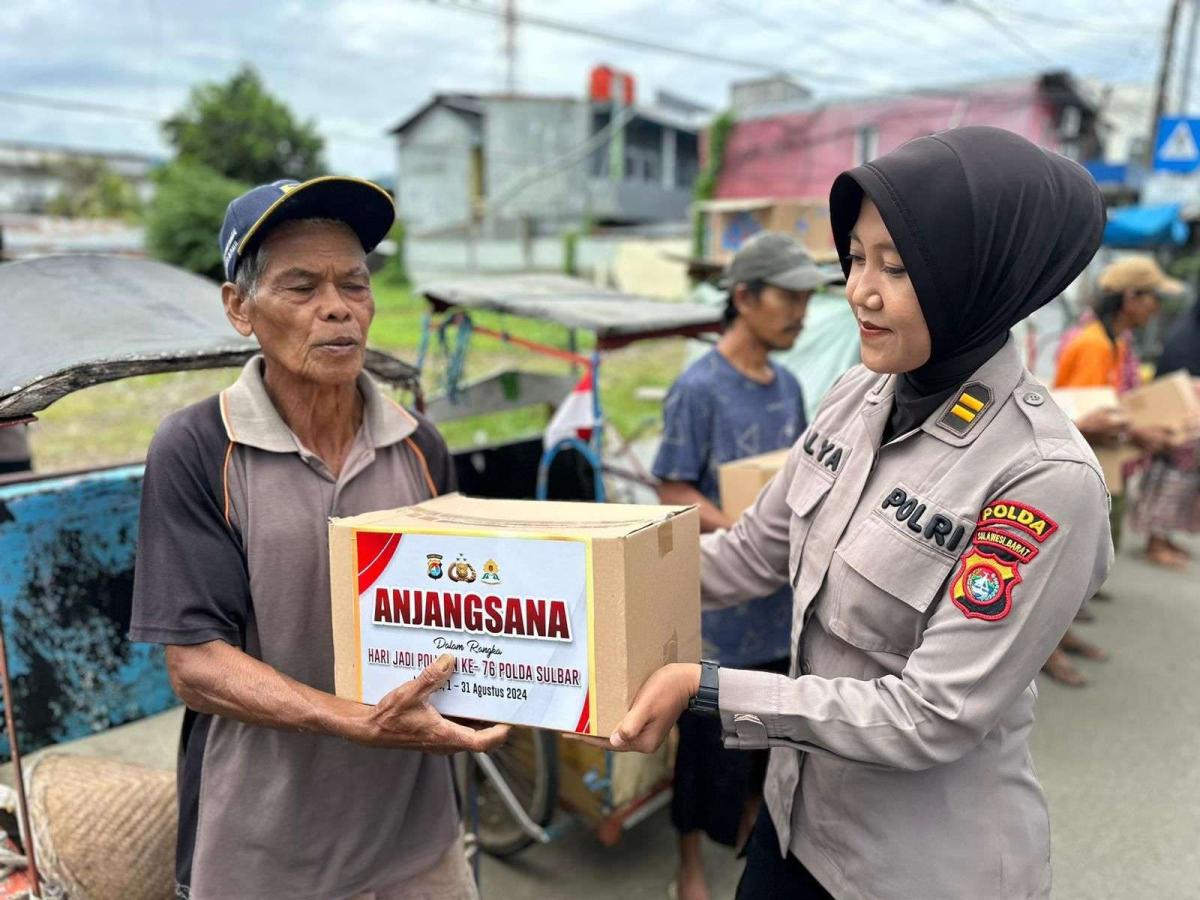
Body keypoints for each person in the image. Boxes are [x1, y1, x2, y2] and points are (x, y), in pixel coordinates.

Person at [596, 127, 1114, 899]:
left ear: (979, 277)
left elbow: (931, 714)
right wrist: (580, 578)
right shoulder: (854, 397)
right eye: (856, 257)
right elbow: (746, 556)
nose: (857, 291)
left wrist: (706, 689)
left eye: (896, 267)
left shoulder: (1042, 476)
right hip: (795, 820)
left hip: (914, 869)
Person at [129, 176, 508, 900]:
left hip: (415, 835)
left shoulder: (419, 441)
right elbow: (198, 666)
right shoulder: (199, 447)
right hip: (264, 848)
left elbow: (455, 610)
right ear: (240, 308)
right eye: (300, 287)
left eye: (354, 284)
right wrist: (359, 719)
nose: (336, 307)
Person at [652, 232, 837, 900]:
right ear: (743, 297)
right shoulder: (698, 389)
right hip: (721, 612)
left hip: (781, 609)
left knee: (768, 744)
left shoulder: (788, 386)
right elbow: (672, 490)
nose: (800, 313)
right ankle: (689, 868)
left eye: (806, 300)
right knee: (705, 754)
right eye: (788, 297)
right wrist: (747, 532)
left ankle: (754, 827)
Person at [1044, 257, 1182, 683]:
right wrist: (1139, 434)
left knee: (1079, 562)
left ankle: (1059, 636)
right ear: (1130, 298)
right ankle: (1046, 649)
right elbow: (1084, 418)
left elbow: (1112, 408)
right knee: (1060, 567)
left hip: (1104, 461)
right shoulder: (1094, 344)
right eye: (1152, 298)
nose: (1155, 308)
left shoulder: (1114, 341)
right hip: (1078, 466)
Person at [1130, 288, 1200, 566]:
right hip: (1178, 415)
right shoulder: (1188, 334)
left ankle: (1164, 537)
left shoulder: (1190, 326)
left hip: (1183, 413)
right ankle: (1156, 542)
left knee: (1183, 482)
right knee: (1172, 480)